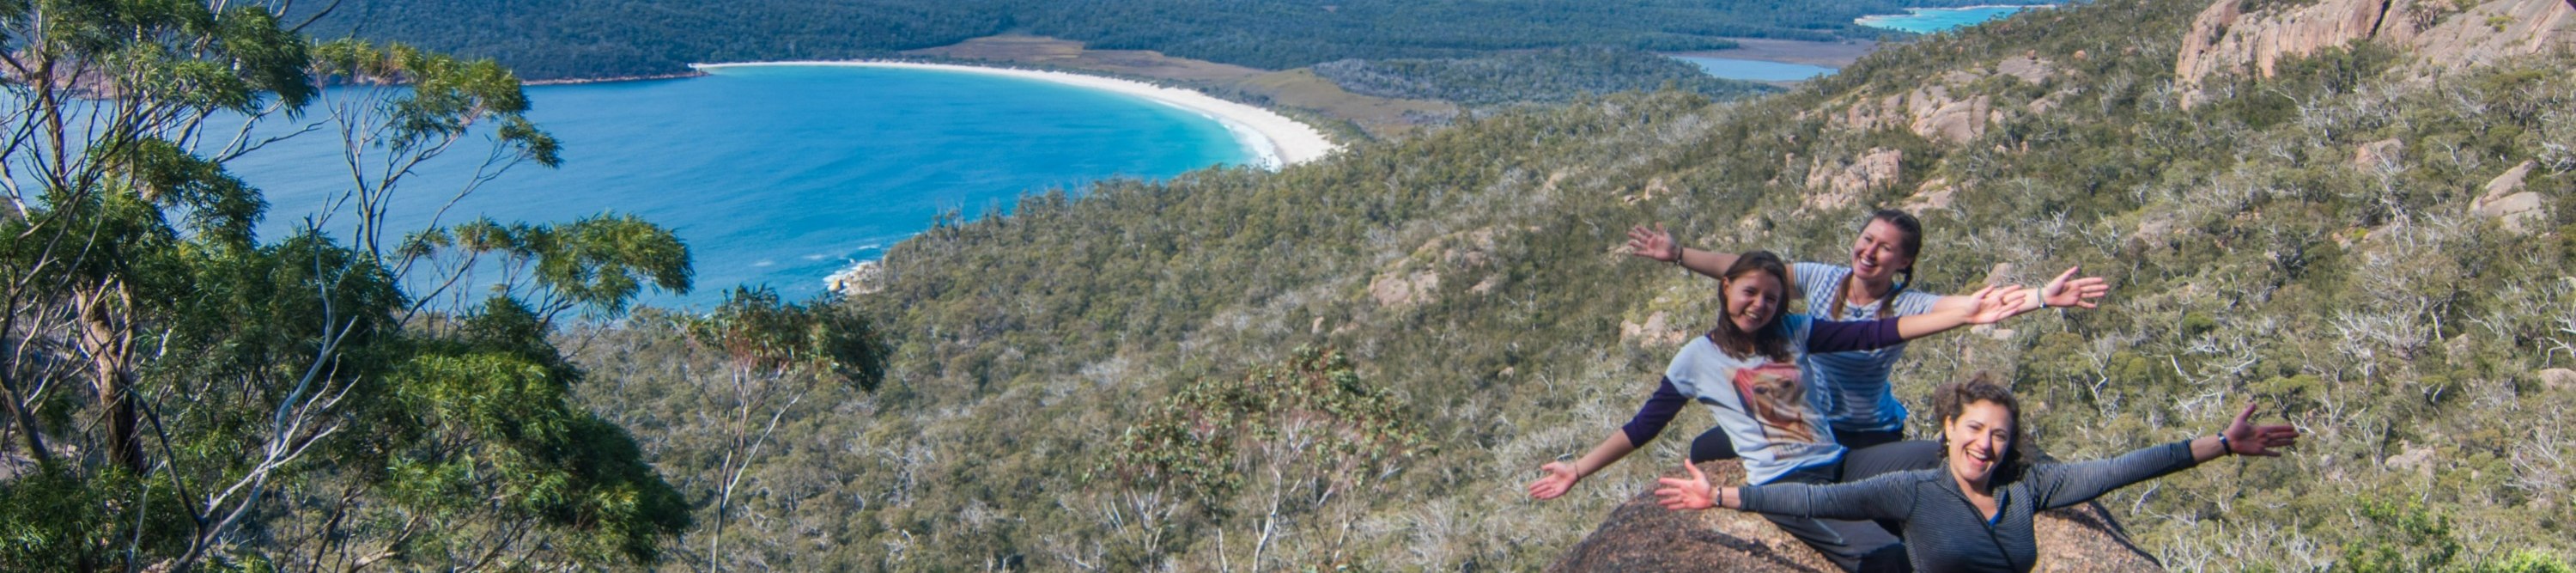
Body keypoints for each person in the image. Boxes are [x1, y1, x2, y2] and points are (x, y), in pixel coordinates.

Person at [1528, 251, 2034, 572]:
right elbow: (1643, 427)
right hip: (1787, 484)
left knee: (1935, 455)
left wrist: (1964, 314)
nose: (1760, 304)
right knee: (1885, 559)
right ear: (1725, 288)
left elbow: (1875, 333)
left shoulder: (1795, 331)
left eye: (1771, 297)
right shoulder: (1696, 360)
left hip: (1841, 463)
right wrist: (1578, 468)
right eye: (1749, 292)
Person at [1654, 375, 2302, 573]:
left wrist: (2218, 442)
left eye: (1998, 435)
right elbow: (1824, 496)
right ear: (1947, 430)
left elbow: (2121, 468)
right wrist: (1723, 494)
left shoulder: (2029, 491)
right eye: (1973, 430)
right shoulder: (1914, 489)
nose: (1985, 445)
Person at [1626, 210, 2108, 456]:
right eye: (1867, 239)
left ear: (1904, 262)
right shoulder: (1819, 278)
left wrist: (2041, 296)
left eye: (1887, 249)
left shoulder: (1908, 306)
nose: (1871, 252)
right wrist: (1679, 254)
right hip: (1807, 422)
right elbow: (1750, 274)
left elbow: (1973, 307)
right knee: (1704, 450)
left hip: (1868, 432)